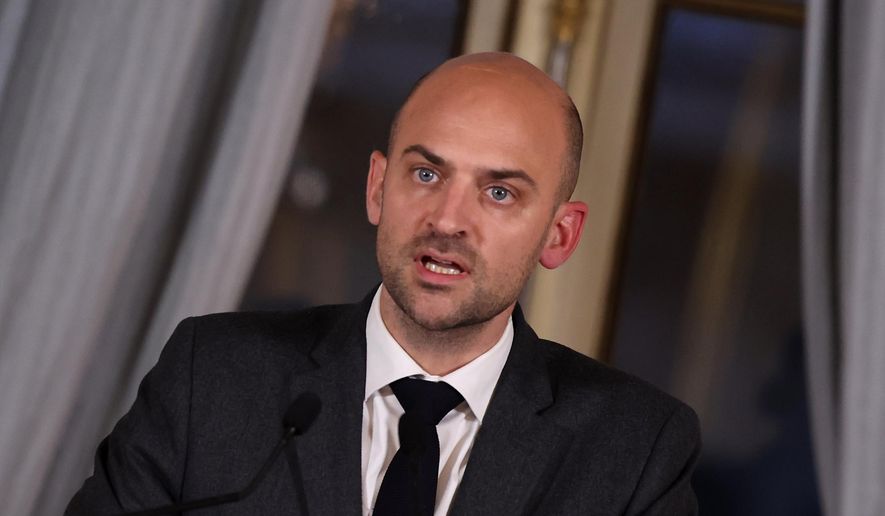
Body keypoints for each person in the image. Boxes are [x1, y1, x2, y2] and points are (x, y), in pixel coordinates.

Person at [67, 52, 700, 515]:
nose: (447, 220)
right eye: (426, 175)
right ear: (377, 187)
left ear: (559, 235)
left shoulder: (635, 451)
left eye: (499, 193)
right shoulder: (212, 375)